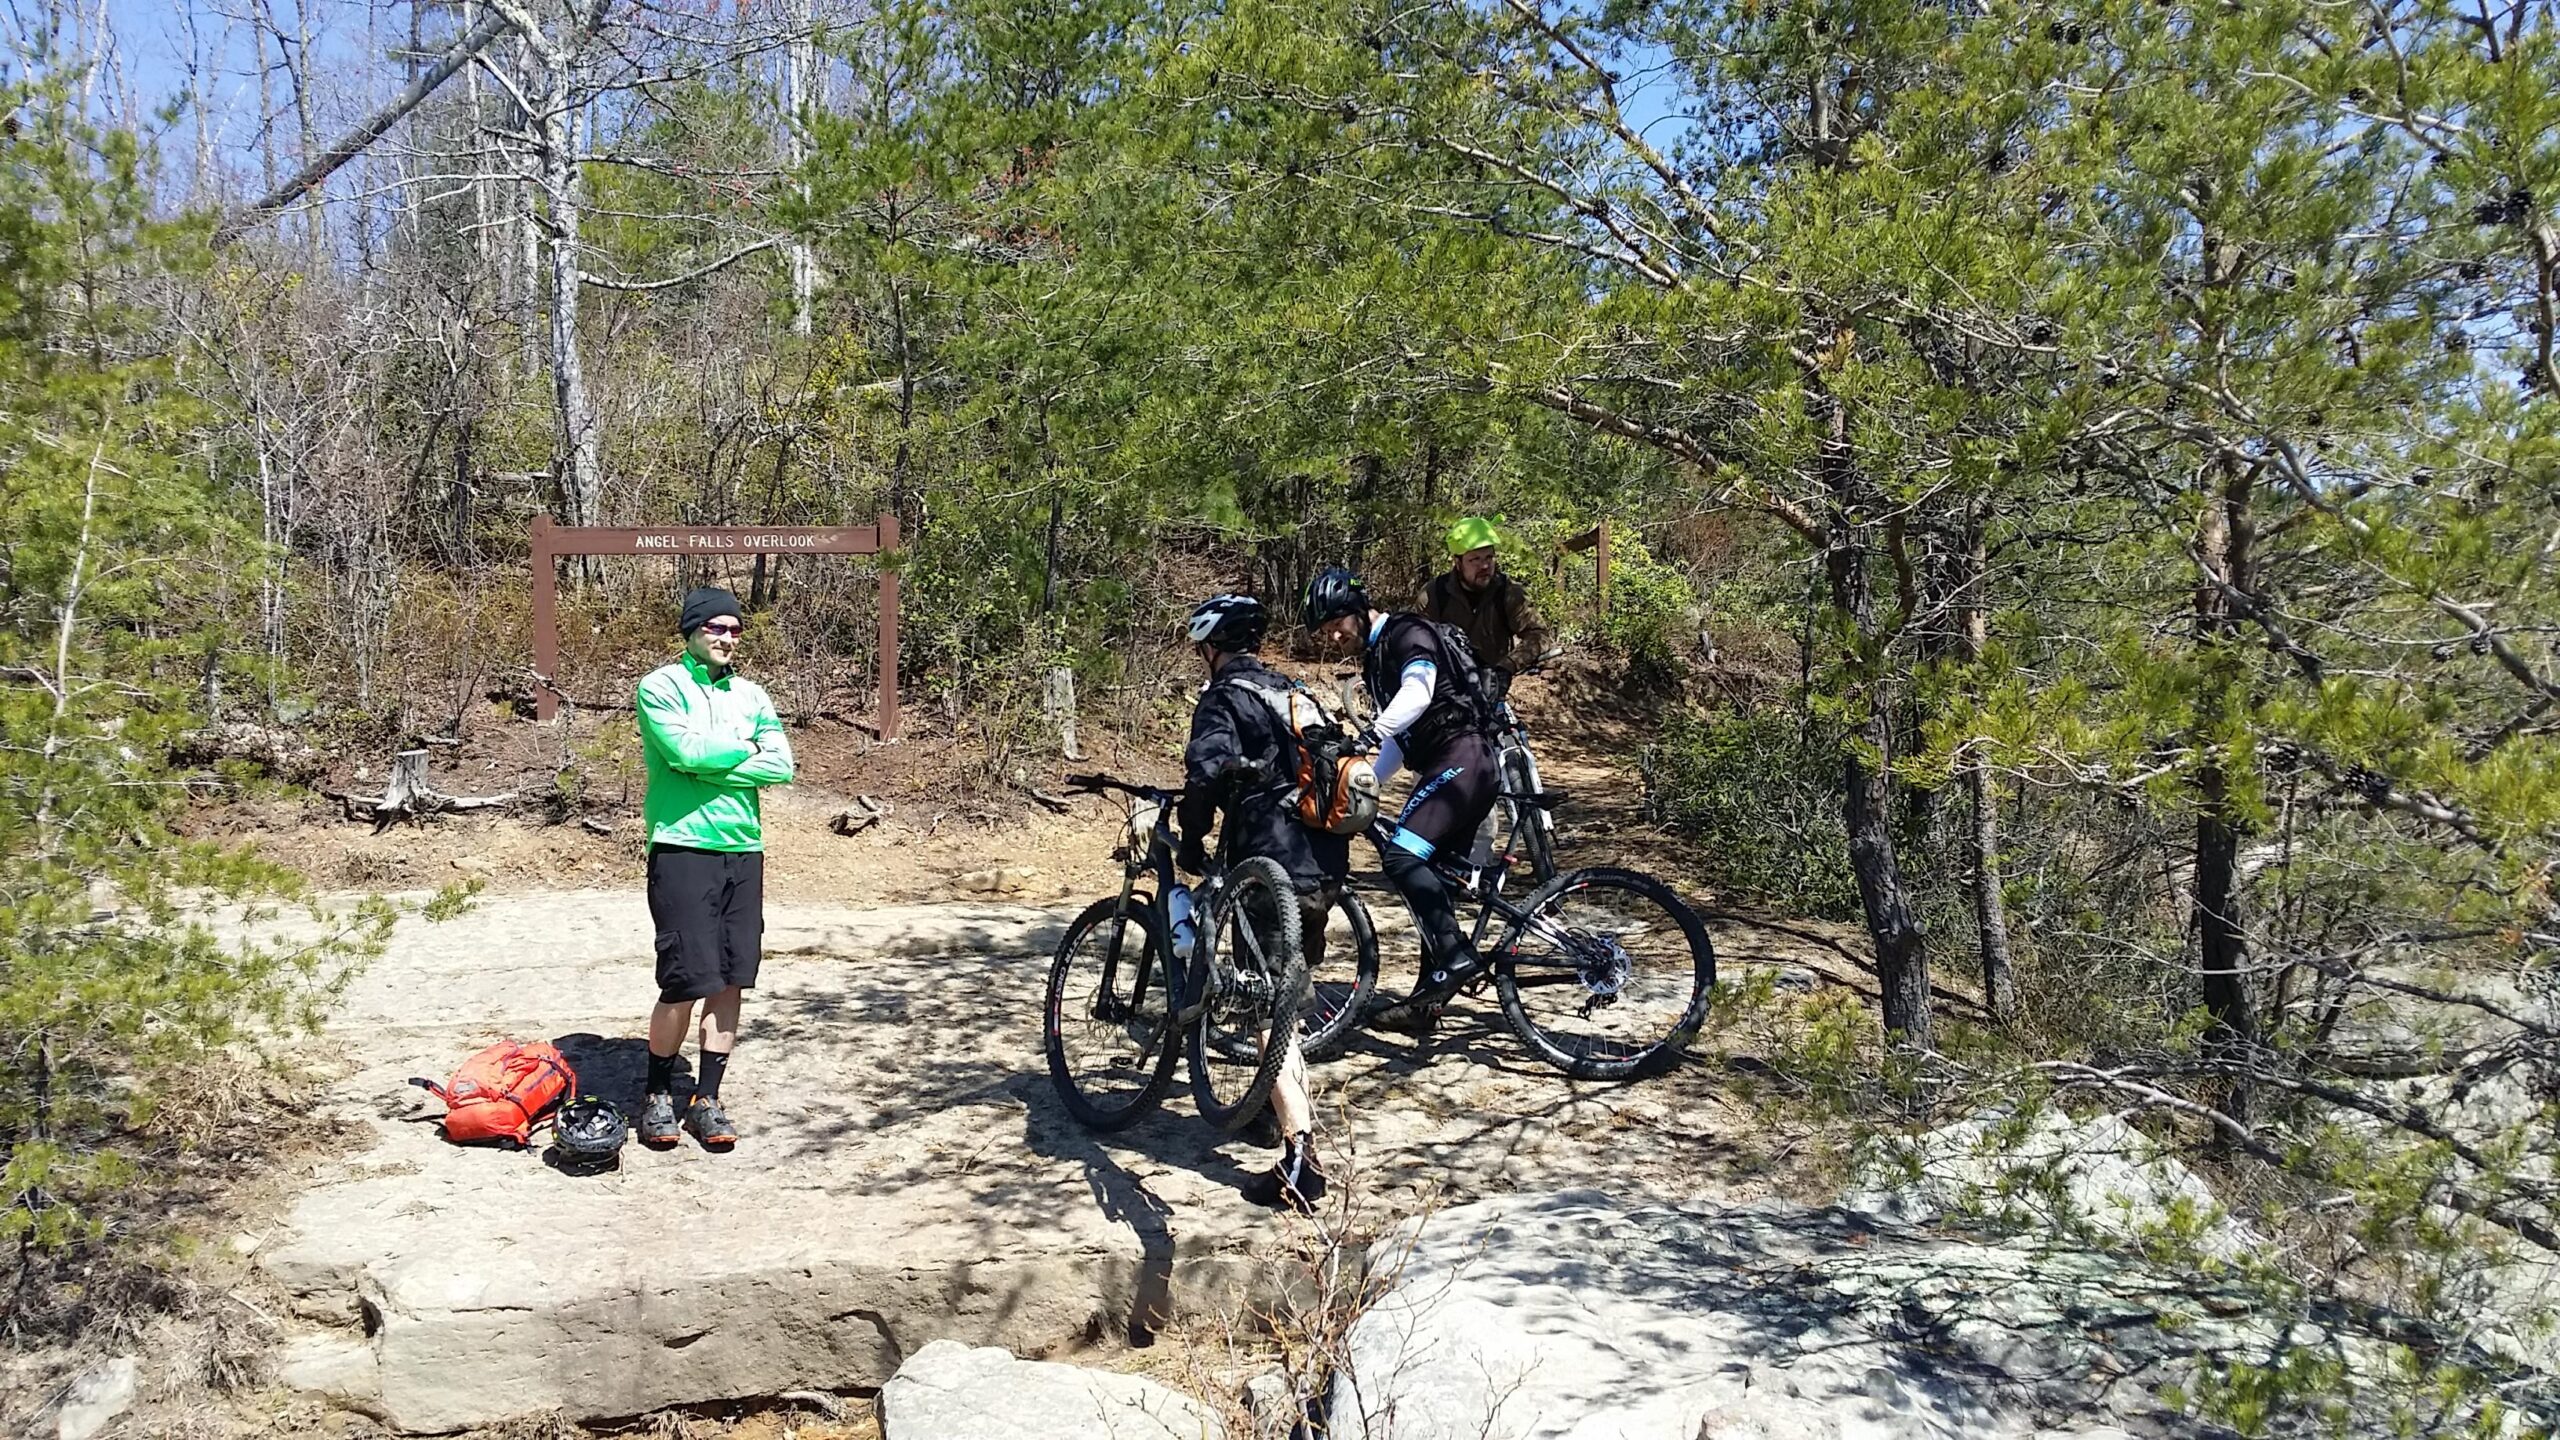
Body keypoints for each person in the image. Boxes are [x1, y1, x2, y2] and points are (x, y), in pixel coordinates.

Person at [1175, 594, 1343, 1212]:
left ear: (1213, 648)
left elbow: (1207, 774)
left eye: (1202, 650)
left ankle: (1302, 1158)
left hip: (1270, 860)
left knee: (1275, 1009)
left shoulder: (1223, 698)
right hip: (1324, 862)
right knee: (1282, 997)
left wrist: (1191, 836)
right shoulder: (1294, 692)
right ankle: (1267, 1116)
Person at [1303, 565, 1498, 1033]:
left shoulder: (1406, 632)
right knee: (1434, 879)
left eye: (1336, 626)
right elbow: (1401, 740)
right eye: (1326, 633)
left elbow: (1419, 691)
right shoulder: (1375, 660)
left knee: (1402, 857)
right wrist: (1366, 776)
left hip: (1464, 758)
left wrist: (1370, 731)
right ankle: (1426, 1002)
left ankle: (1454, 956)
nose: (1333, 638)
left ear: (1355, 610)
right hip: (1452, 763)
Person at [633, 587, 795, 1152]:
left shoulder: (752, 694)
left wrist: (717, 761)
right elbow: (684, 754)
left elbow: (781, 765)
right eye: (714, 629)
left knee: (729, 979)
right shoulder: (660, 687)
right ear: (691, 631)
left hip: (743, 850)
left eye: (734, 629)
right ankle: (657, 1094)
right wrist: (742, 754)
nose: (726, 638)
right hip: (682, 847)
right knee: (684, 978)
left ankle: (707, 1098)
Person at [1420, 516, 1553, 684]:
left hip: (1497, 683)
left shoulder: (1508, 592)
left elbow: (1538, 635)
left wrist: (1508, 666)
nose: (1484, 566)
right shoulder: (1434, 594)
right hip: (1447, 685)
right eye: (1475, 559)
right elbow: (1415, 641)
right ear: (1457, 562)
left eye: (1489, 557)